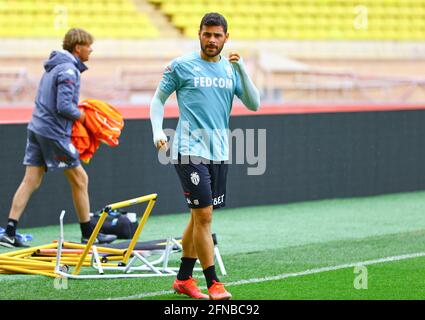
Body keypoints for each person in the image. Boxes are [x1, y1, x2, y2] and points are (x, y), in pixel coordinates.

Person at [150, 13, 260, 300]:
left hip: (219, 152)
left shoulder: (231, 69)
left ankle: (183, 279)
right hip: (189, 150)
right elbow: (158, 100)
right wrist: (157, 130)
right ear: (198, 34)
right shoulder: (181, 66)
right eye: (207, 34)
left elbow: (254, 104)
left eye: (217, 35)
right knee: (204, 216)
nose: (212, 40)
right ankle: (214, 283)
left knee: (198, 216)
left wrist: (243, 70)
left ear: (226, 37)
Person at [0, 28, 116, 248]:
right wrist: (84, 116)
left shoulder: (54, 67)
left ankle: (10, 230)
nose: (91, 49)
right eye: (88, 45)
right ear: (78, 47)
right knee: (80, 179)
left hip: (36, 128)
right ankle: (88, 233)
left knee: (30, 180)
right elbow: (64, 107)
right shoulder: (69, 71)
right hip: (53, 133)